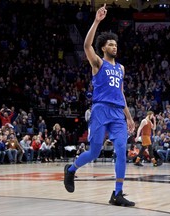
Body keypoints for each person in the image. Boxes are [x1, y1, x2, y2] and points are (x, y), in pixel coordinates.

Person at [63, 4, 135, 207]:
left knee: (121, 149)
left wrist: (129, 117)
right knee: (94, 152)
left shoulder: (121, 68)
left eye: (115, 45)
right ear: (103, 48)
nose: (114, 47)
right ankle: (71, 170)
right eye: (110, 45)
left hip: (117, 113)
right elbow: (86, 46)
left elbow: (121, 93)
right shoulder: (98, 63)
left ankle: (117, 193)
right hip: (100, 109)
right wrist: (96, 21)